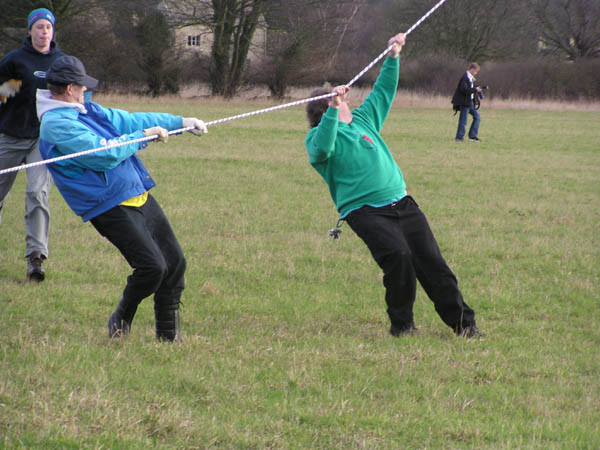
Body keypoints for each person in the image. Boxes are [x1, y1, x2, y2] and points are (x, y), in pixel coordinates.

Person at [305, 33, 483, 338]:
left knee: (433, 263)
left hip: (402, 203)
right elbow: (322, 148)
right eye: (339, 102)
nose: (348, 103)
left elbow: (384, 91)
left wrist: (393, 56)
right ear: (327, 110)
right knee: (399, 257)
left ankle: (464, 326)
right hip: (364, 212)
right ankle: (402, 327)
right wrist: (333, 108)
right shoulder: (319, 137)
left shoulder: (364, 120)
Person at [36, 55, 209, 342]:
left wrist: (181, 122)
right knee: (152, 267)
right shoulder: (56, 125)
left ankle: (169, 337)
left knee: (174, 262)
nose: (86, 91)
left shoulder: (86, 109)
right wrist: (143, 137)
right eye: (82, 86)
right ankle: (120, 319)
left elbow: (129, 120)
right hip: (107, 204)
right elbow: (102, 154)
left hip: (135, 191)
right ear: (69, 89)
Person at [0, 8, 64, 282]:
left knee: (37, 194)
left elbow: (75, 97)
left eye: (47, 27)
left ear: (53, 31)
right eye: (38, 27)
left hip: (42, 140)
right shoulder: (14, 61)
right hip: (11, 136)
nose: (43, 32)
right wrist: (13, 88)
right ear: (29, 31)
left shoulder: (62, 62)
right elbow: (1, 94)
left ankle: (35, 259)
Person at [451, 62, 482, 142]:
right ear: (472, 69)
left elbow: (469, 89)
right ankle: (459, 138)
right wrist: (475, 89)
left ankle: (472, 136)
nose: (476, 73)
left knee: (477, 117)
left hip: (470, 102)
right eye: (476, 71)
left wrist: (475, 89)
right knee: (463, 120)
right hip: (464, 103)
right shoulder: (465, 77)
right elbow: (464, 90)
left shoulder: (470, 78)